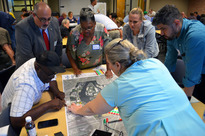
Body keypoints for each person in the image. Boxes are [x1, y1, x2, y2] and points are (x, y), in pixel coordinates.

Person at [68, 38, 205, 136]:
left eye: (108, 63)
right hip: (196, 127)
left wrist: (78, 109)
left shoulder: (118, 86)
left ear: (117, 65)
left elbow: (92, 108)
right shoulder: (155, 63)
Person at [1, 51, 66, 134]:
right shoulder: (26, 85)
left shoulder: (38, 63)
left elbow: (51, 79)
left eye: (54, 73)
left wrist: (56, 92)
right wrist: (49, 105)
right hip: (14, 123)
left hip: (27, 104)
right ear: (37, 68)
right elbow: (16, 122)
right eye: (50, 74)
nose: (53, 77)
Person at [152, 5, 205, 104]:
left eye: (163, 29)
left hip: (200, 74)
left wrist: (184, 102)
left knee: (196, 108)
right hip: (196, 74)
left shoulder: (194, 36)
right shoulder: (173, 33)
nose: (162, 33)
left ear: (176, 23)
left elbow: (192, 75)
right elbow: (170, 61)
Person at [15, 2, 62, 69]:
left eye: (49, 19)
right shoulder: (22, 27)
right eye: (43, 19)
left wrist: (57, 65)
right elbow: (27, 57)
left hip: (50, 68)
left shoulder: (54, 22)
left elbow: (58, 44)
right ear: (34, 15)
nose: (46, 23)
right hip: (30, 69)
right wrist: (45, 74)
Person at [66, 8, 111, 77]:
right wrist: (75, 69)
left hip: (98, 68)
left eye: (90, 27)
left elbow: (108, 50)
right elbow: (68, 52)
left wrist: (109, 69)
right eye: (83, 28)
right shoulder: (74, 34)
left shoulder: (101, 29)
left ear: (94, 24)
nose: (87, 31)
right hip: (81, 70)